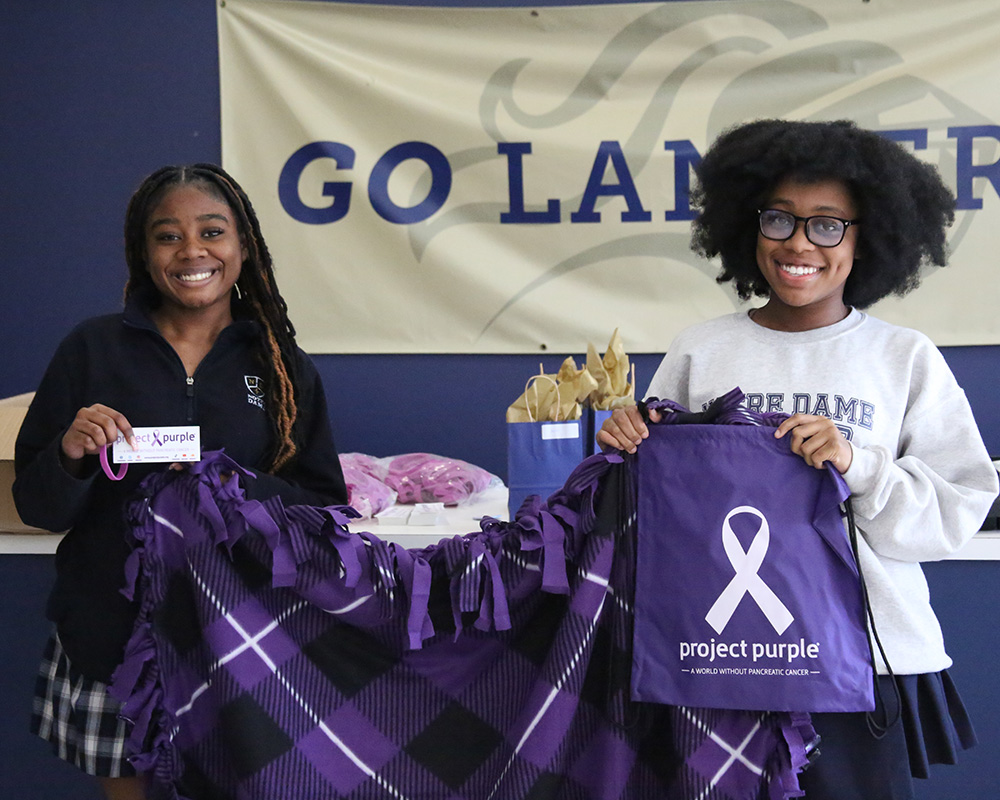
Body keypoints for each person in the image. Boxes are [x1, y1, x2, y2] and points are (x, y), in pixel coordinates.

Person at [598, 119, 999, 800]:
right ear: (748, 227)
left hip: (862, 663)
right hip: (717, 653)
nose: (798, 244)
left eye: (827, 225)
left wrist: (859, 463)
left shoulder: (904, 359)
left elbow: (954, 514)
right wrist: (625, 447)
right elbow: (660, 520)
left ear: (866, 234)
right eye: (779, 219)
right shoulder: (700, 351)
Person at [13, 164, 348, 800]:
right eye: (167, 236)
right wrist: (72, 452)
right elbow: (37, 505)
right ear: (144, 253)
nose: (192, 251)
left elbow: (326, 511)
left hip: (244, 642)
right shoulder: (91, 350)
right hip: (109, 641)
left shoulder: (281, 369)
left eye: (212, 232)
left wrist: (234, 485)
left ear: (243, 248)